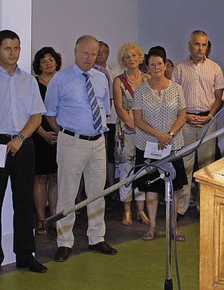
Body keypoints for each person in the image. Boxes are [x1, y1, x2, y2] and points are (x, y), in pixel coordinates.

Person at [0, 30, 48, 282]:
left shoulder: (29, 81)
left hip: (23, 144)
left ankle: (25, 254)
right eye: (7, 48)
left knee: (24, 203)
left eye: (16, 48)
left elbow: (36, 116)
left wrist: (21, 139)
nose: (12, 53)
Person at [45, 35, 118, 263]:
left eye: (93, 53)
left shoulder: (101, 78)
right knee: (67, 194)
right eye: (85, 53)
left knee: (98, 192)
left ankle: (96, 237)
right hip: (71, 142)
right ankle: (64, 242)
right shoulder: (60, 79)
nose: (89, 57)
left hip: (98, 141)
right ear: (75, 52)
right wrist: (68, 133)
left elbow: (105, 109)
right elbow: (49, 114)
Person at [133, 48, 187, 241]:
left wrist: (170, 135)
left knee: (173, 188)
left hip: (172, 145)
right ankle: (152, 227)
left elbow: (182, 115)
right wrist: (158, 135)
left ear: (166, 65)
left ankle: (173, 228)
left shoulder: (177, 88)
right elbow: (137, 120)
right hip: (148, 145)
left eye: (160, 63)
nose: (156, 67)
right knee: (151, 188)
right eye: (152, 64)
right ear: (147, 67)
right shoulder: (140, 90)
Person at [172, 30, 224, 217]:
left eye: (204, 44)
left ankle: (205, 206)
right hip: (185, 122)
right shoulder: (179, 69)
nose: (200, 48)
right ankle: (182, 207)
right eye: (197, 44)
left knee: (206, 166)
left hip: (207, 122)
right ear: (189, 45)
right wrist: (185, 116)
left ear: (207, 46)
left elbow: (219, 97)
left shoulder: (215, 68)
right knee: (185, 165)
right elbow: (174, 98)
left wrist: (209, 116)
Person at [112, 42, 149, 226]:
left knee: (142, 169)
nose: (132, 59)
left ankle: (140, 211)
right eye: (128, 57)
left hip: (145, 130)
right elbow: (119, 107)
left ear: (141, 57)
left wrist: (142, 125)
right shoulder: (119, 80)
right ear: (123, 60)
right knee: (126, 170)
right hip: (126, 131)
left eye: (135, 55)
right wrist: (131, 123)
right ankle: (126, 211)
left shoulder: (148, 79)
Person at [31, 47, 62, 235]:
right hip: (38, 134)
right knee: (40, 178)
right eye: (43, 61)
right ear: (38, 65)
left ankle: (55, 217)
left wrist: (61, 132)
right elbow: (31, 111)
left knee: (56, 178)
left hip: (62, 135)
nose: (48, 63)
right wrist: (43, 133)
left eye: (51, 60)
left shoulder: (62, 81)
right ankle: (41, 218)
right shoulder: (33, 83)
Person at [96, 40, 122, 191]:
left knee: (112, 155)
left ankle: (111, 187)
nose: (101, 54)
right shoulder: (89, 73)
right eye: (98, 51)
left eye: (104, 51)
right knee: (100, 156)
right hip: (98, 123)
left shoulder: (116, 72)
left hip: (113, 120)